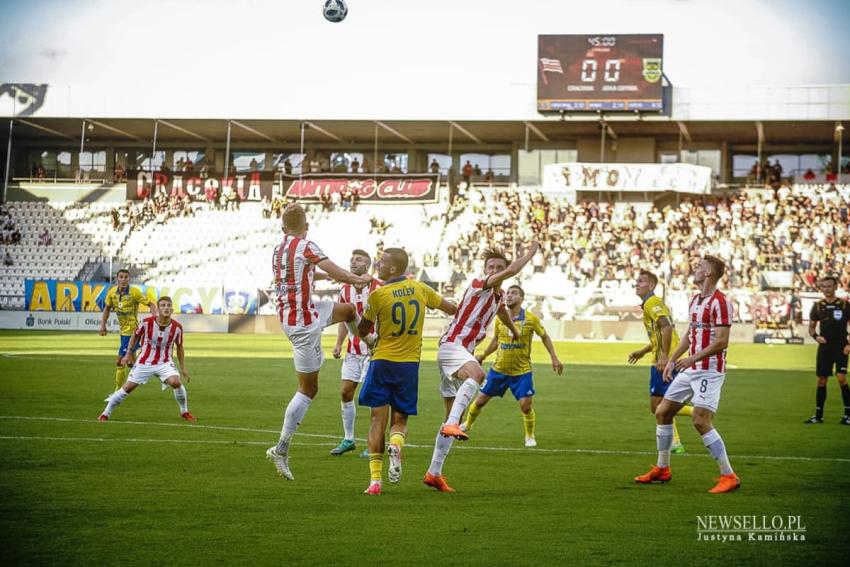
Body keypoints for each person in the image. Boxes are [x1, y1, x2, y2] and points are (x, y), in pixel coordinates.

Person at [265, 204, 373, 481]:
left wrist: (337, 278)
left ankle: (371, 342)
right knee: (308, 389)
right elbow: (333, 270)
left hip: (303, 313)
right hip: (304, 326)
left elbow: (310, 273)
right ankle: (281, 448)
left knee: (348, 310)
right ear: (306, 226)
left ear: (282, 227)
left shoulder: (278, 250)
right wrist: (356, 279)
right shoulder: (305, 246)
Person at [424, 243, 540, 493]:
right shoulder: (479, 284)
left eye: (499, 267)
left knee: (448, 413)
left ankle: (434, 473)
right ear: (485, 270)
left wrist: (514, 329)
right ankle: (455, 423)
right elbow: (509, 274)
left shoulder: (498, 297)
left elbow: (501, 313)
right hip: (452, 345)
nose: (496, 270)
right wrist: (530, 254)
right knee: (478, 374)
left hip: (461, 351)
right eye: (492, 267)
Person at [634, 256, 741, 494]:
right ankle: (663, 468)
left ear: (709, 274)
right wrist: (672, 360)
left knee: (701, 421)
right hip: (690, 368)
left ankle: (729, 475)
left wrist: (692, 358)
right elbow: (689, 336)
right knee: (662, 412)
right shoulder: (695, 301)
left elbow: (722, 342)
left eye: (700, 267)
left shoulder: (721, 302)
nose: (696, 268)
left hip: (709, 370)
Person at [356, 248, 457, 495]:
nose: (378, 264)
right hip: (409, 365)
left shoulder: (378, 296)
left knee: (376, 420)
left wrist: (371, 337)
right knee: (399, 421)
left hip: (381, 363)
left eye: (382, 262)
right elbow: (451, 309)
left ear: (393, 269)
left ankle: (375, 482)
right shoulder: (421, 289)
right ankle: (396, 444)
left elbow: (362, 329)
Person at [464, 284, 564, 446]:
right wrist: (483, 354)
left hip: (521, 371)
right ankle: (467, 424)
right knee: (480, 400)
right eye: (508, 293)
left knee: (525, 405)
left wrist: (554, 357)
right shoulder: (500, 318)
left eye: (514, 293)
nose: (509, 295)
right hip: (499, 369)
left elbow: (544, 336)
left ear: (521, 298)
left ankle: (529, 436)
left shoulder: (531, 319)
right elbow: (496, 340)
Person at [627, 270, 693, 453]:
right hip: (665, 357)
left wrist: (664, 357)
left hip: (666, 360)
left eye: (641, 281)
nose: (637, 283)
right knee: (663, 404)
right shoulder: (649, 304)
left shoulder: (652, 302)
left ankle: (697, 413)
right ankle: (676, 444)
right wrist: (642, 351)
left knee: (658, 406)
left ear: (651, 286)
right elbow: (659, 334)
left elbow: (667, 326)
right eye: (637, 280)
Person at [98, 296, 193, 422]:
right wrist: (128, 354)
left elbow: (180, 347)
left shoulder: (177, 327)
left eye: (168, 305)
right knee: (128, 387)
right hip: (145, 361)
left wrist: (183, 368)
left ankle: (184, 411)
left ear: (172, 309)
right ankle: (105, 413)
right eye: (163, 305)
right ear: (158, 309)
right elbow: (134, 336)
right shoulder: (146, 322)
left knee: (176, 382)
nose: (166, 308)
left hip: (164, 362)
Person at [330, 249, 382, 456]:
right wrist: (338, 343)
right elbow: (345, 318)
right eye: (351, 259)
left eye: (359, 259)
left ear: (368, 264)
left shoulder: (379, 288)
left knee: (371, 396)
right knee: (345, 392)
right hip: (353, 349)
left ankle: (373, 444)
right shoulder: (345, 289)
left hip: (374, 349)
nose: (353, 261)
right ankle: (349, 439)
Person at [99, 269, 157, 392]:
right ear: (117, 278)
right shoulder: (112, 293)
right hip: (123, 332)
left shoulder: (135, 292)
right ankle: (147, 370)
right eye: (121, 277)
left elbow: (151, 305)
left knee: (120, 362)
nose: (123, 279)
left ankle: (117, 391)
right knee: (131, 363)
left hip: (132, 332)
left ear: (129, 279)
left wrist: (154, 321)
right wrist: (102, 325)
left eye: (126, 277)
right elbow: (107, 308)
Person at [804, 276, 850, 425]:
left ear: (835, 287)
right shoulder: (818, 306)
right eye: (823, 287)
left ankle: (848, 415)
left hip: (841, 346)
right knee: (821, 380)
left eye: (829, 286)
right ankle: (818, 416)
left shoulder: (844, 305)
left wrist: (849, 344)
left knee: (841, 378)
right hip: (825, 347)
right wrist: (816, 337)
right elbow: (811, 327)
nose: (826, 289)